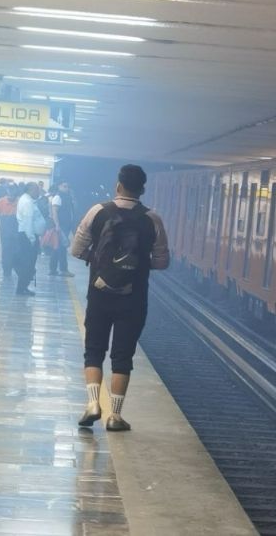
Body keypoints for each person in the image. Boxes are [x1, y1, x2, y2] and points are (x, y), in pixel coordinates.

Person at [71, 164, 170, 431]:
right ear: (143, 189)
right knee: (122, 355)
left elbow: (76, 249)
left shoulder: (98, 211)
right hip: (134, 298)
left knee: (93, 349)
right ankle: (115, 416)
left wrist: (98, 261)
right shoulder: (153, 219)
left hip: (100, 293)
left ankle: (93, 404)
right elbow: (162, 262)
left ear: (118, 186)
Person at [15, 182, 46, 296]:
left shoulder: (26, 199)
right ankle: (21, 288)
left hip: (27, 235)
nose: (39, 192)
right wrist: (32, 239)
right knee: (28, 264)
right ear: (31, 190)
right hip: (28, 236)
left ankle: (23, 287)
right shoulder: (27, 202)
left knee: (27, 263)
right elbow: (28, 221)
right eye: (37, 190)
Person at [0, 184, 20, 281]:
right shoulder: (1, 201)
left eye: (13, 190)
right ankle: (6, 270)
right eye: (10, 190)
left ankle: (14, 267)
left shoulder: (20, 201)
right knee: (6, 251)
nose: (11, 192)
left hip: (17, 230)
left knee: (16, 251)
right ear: (7, 190)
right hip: (5, 230)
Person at [49, 181, 75, 277]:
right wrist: (57, 225)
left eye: (67, 186)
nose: (66, 188)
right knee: (62, 248)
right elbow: (54, 212)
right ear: (59, 186)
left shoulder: (66, 197)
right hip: (61, 226)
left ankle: (53, 269)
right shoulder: (58, 197)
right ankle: (63, 270)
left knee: (58, 247)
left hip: (65, 226)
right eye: (64, 186)